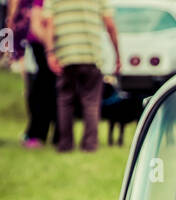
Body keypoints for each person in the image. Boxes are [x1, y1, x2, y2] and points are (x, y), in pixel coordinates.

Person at [38, 0, 121, 152]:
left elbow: (49, 24)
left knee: (65, 100)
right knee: (91, 102)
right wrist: (117, 54)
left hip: (65, 54)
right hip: (91, 54)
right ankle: (90, 145)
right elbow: (110, 24)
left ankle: (65, 144)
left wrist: (50, 53)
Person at [7, 0, 57, 147]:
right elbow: (36, 25)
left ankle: (51, 136)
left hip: (48, 47)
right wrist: (51, 48)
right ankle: (37, 134)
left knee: (48, 91)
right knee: (41, 91)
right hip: (42, 47)